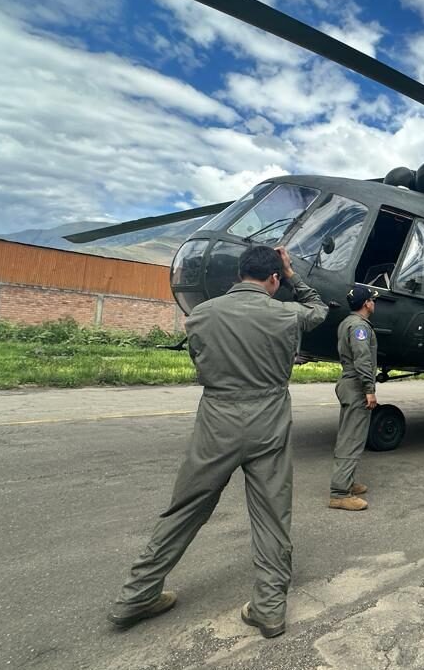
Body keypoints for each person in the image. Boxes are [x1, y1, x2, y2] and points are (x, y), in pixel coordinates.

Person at [108, 246, 327, 639]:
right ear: (274, 278)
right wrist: (294, 274)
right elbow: (319, 309)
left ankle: (135, 596)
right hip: (269, 419)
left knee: (185, 509)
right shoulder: (286, 314)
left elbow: (201, 359)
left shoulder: (201, 315)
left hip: (217, 418)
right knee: (272, 515)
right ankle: (269, 609)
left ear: (239, 274)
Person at [329, 284, 378, 511]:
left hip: (348, 382)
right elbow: (362, 358)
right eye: (372, 300)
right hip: (357, 385)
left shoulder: (347, 323)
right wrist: (369, 389)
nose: (374, 303)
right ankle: (339, 493)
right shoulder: (360, 327)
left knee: (349, 435)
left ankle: (346, 482)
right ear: (367, 304)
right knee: (352, 439)